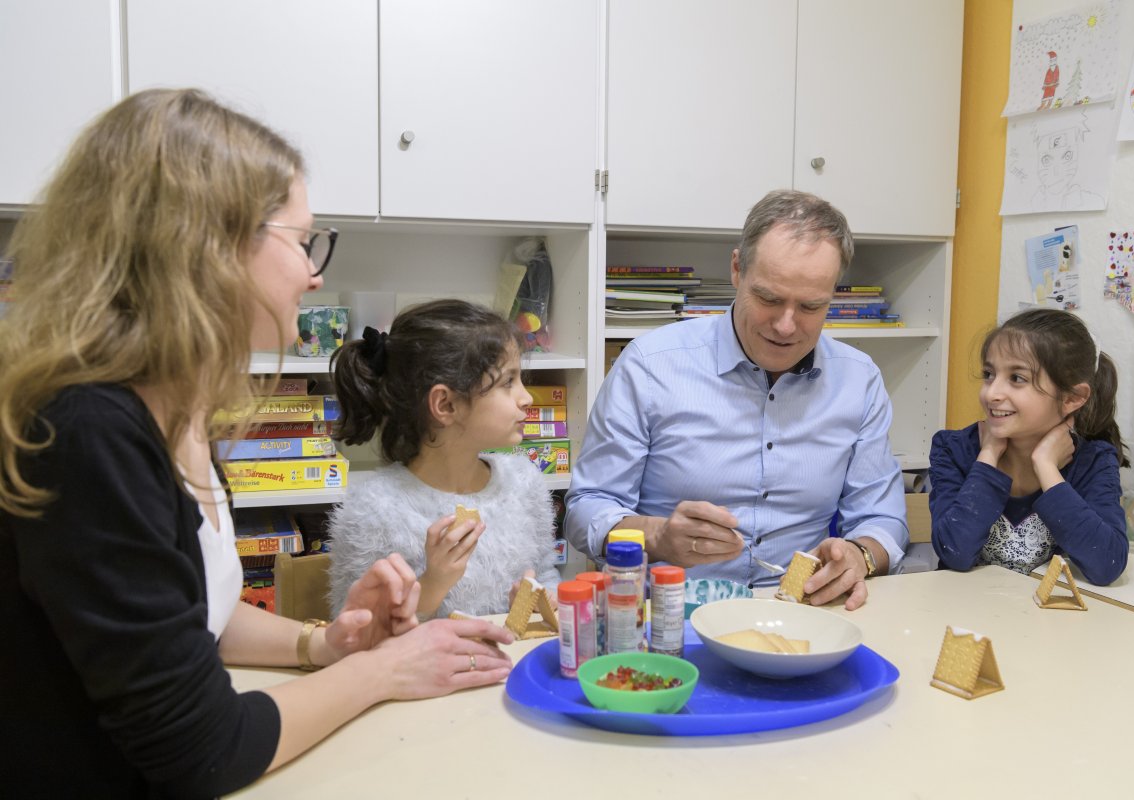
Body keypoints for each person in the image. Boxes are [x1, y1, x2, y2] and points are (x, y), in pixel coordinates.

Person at [0, 89, 513, 797]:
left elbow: (187, 614)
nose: (315, 273)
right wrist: (381, 670)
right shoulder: (87, 430)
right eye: (302, 242)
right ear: (205, 247)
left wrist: (320, 645)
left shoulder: (173, 408)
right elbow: (199, 750)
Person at [565, 190, 908, 611]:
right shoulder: (650, 365)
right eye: (768, 298)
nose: (786, 326)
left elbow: (883, 519)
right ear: (736, 270)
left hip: (801, 614)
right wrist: (655, 536)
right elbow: (585, 510)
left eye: (811, 306)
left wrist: (862, 555)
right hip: (670, 615)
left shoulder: (859, 380)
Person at [327, 299, 559, 618]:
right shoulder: (375, 510)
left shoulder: (524, 482)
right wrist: (433, 582)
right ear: (445, 405)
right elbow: (356, 633)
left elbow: (546, 577)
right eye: (507, 382)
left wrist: (537, 601)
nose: (527, 397)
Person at [929, 308, 1129, 585]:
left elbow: (1107, 565)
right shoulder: (953, 449)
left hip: (1046, 623)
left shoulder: (1094, 460)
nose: (992, 393)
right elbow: (955, 553)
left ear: (1072, 397)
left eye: (1017, 378)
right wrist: (987, 457)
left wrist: (1047, 468)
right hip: (964, 619)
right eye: (989, 374)